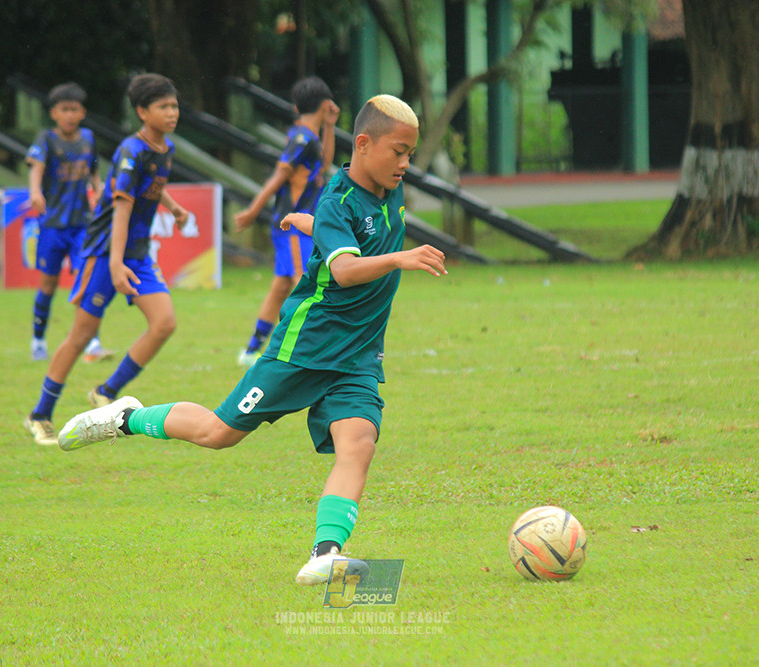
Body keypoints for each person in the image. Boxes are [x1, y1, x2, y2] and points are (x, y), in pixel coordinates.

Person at [56, 95, 448, 585]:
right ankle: (126, 417)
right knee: (218, 433)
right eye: (399, 152)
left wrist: (310, 226)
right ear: (364, 145)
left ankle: (324, 554)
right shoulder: (338, 201)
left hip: (357, 356)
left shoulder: (384, 189)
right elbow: (344, 269)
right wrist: (396, 257)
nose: (406, 164)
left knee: (359, 443)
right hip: (304, 348)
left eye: (411, 153)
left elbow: (347, 235)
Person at [23, 73, 190, 446]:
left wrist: (174, 208)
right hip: (104, 253)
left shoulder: (166, 148)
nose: (172, 112)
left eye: (174, 105)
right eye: (163, 106)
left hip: (137, 254)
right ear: (142, 112)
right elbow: (122, 207)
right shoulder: (132, 149)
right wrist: (115, 263)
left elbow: (153, 189)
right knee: (81, 336)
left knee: (164, 323)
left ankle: (106, 390)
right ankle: (40, 414)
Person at [233, 76, 339, 367]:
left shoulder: (309, 137)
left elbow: (325, 165)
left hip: (300, 225)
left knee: (282, 286)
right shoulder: (302, 139)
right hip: (292, 226)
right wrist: (254, 209)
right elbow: (280, 175)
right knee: (303, 282)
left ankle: (252, 350)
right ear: (326, 104)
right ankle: (305, 348)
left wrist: (329, 126)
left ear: (295, 106)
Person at [25, 82, 112, 363]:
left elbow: (94, 172)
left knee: (85, 282)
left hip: (82, 225)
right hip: (52, 225)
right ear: (54, 113)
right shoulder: (46, 140)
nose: (70, 115)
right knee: (48, 285)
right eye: (64, 110)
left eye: (74, 110)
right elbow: (36, 168)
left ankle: (92, 342)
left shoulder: (88, 138)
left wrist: (98, 189)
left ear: (82, 112)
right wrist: (35, 191)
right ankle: (38, 339)